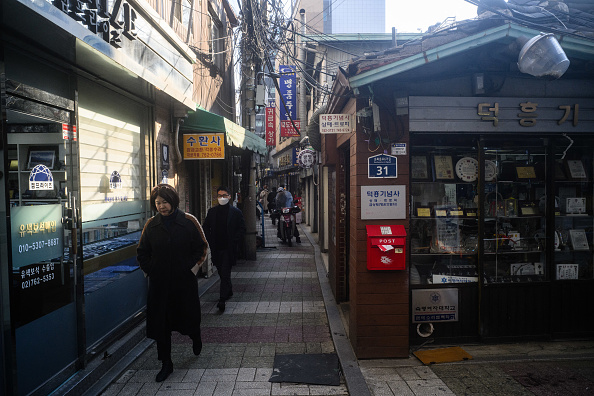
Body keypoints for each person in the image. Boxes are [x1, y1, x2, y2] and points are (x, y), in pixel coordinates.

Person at [137, 184, 208, 382]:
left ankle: (195, 335)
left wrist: (190, 269)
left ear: (173, 202)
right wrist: (151, 269)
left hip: (183, 283)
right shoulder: (151, 225)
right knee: (162, 324)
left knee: (188, 317)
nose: (161, 206)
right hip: (160, 286)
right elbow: (142, 252)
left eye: (165, 202)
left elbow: (202, 247)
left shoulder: (188, 221)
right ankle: (166, 363)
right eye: (158, 203)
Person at [202, 186, 246, 312]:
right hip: (216, 248)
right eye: (220, 195)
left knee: (225, 271)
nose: (222, 198)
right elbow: (206, 227)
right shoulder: (212, 212)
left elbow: (242, 228)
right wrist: (209, 240)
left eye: (224, 195)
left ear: (229, 196)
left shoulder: (236, 212)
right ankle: (229, 289)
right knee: (222, 272)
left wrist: (234, 240)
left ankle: (222, 299)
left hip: (229, 248)